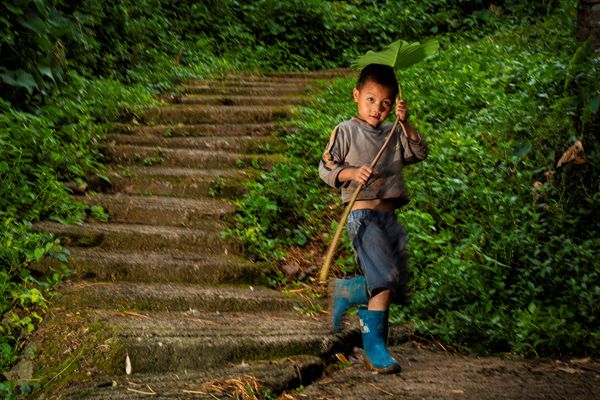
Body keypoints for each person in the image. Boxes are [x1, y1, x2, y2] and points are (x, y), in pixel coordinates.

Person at [319, 63, 428, 373]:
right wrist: (351, 172)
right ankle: (374, 348)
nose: (377, 109)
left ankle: (350, 289)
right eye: (370, 99)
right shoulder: (346, 131)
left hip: (389, 218)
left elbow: (419, 153)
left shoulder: (393, 132)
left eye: (386, 103)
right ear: (356, 95)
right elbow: (325, 168)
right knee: (383, 283)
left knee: (395, 281)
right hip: (363, 216)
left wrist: (405, 124)